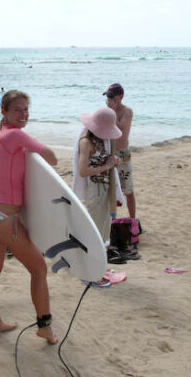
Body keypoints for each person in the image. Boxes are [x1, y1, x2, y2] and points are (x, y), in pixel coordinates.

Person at [0, 90, 59, 344]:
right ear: (4, 111)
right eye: (17, 109)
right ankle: (44, 327)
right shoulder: (15, 135)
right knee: (39, 268)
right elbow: (53, 158)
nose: (24, 114)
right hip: (5, 219)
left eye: (26, 109)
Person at [74, 108, 125, 263]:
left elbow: (102, 159)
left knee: (103, 228)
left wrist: (112, 160)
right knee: (94, 230)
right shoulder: (86, 142)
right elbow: (83, 171)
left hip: (105, 188)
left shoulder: (102, 139)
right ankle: (89, 267)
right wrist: (107, 166)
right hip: (96, 189)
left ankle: (97, 264)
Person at [104, 83, 136, 218]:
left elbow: (121, 128)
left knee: (128, 190)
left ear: (120, 96)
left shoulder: (127, 111)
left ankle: (132, 219)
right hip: (110, 152)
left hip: (123, 153)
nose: (110, 99)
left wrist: (111, 112)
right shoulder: (108, 111)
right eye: (108, 97)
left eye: (112, 96)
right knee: (110, 190)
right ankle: (112, 220)